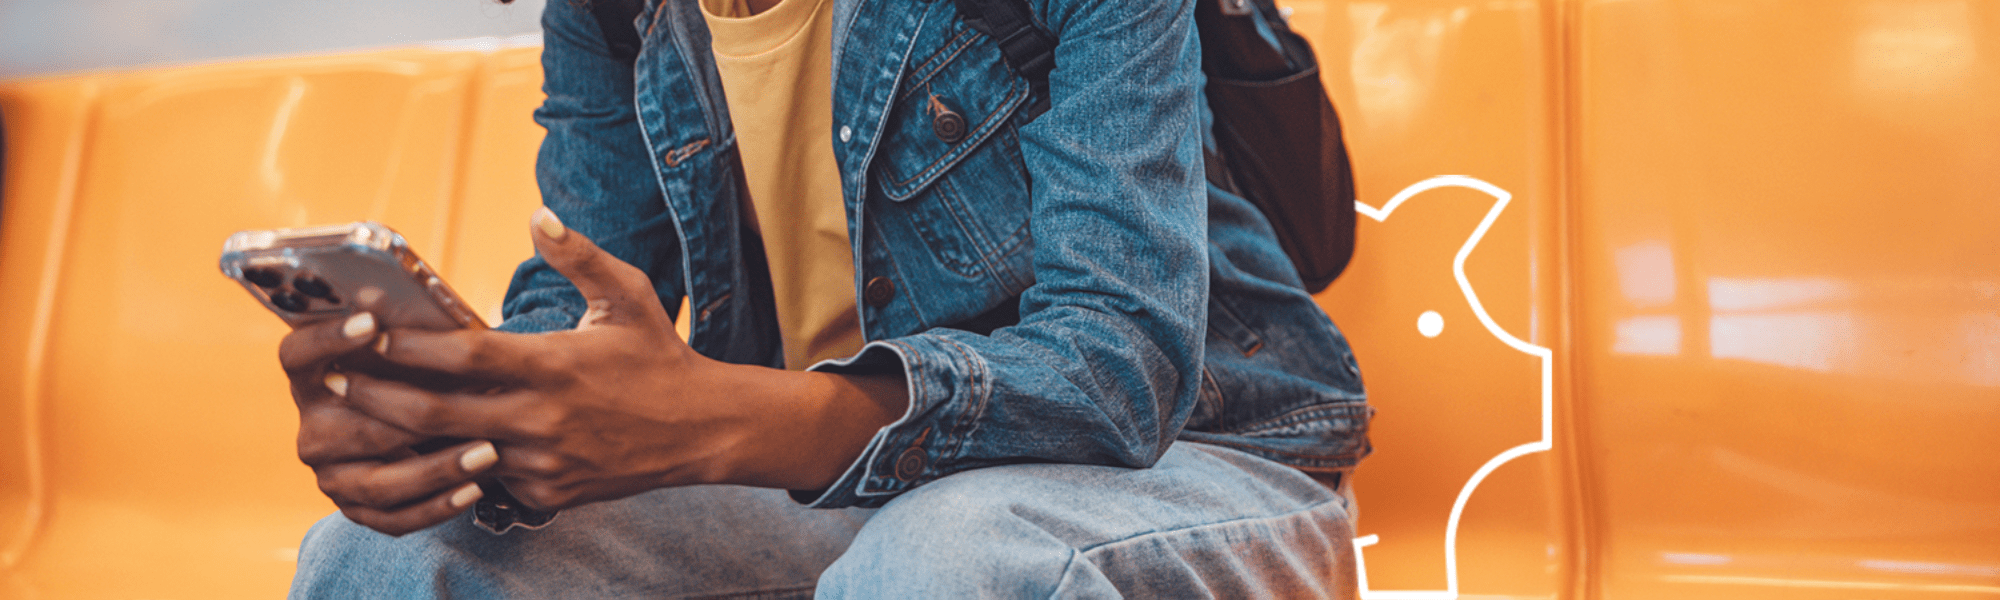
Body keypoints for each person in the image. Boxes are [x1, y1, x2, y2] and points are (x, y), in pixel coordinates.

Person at [285, 0, 1370, 596]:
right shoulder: (612, 13)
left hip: (1199, 458)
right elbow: (581, 294)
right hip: (819, 483)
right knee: (386, 560)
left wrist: (717, 419)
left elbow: (1119, 369)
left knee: (950, 564)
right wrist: (472, 419)